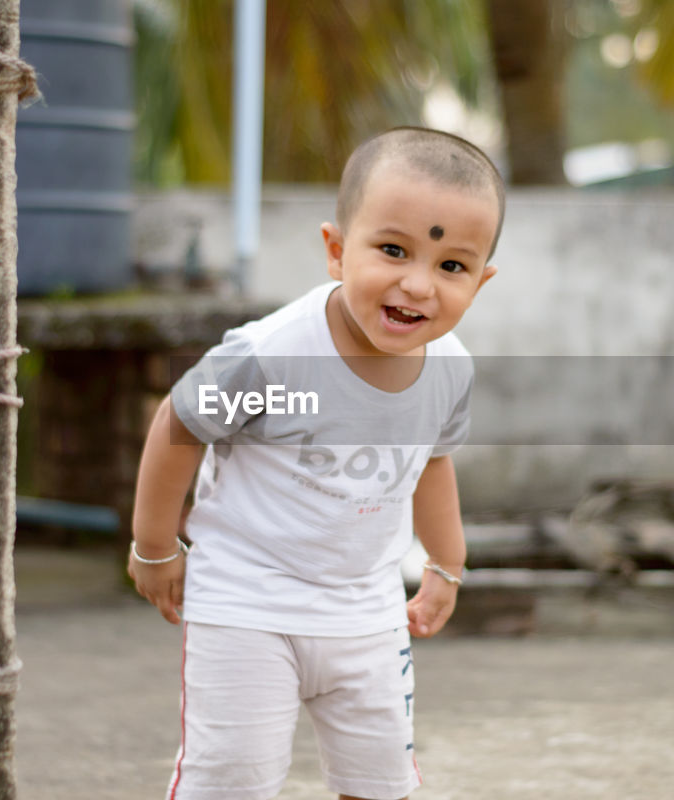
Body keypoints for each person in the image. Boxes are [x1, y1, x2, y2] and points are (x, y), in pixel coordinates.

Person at [127, 126, 504, 800]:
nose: (418, 284)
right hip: (247, 604)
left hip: (366, 614)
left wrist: (447, 563)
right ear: (335, 250)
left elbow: (432, 462)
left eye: (451, 266)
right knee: (230, 784)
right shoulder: (271, 355)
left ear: (481, 281)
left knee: (381, 785)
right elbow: (178, 425)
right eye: (393, 250)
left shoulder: (450, 370)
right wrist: (155, 547)